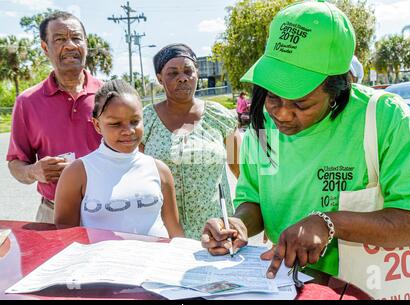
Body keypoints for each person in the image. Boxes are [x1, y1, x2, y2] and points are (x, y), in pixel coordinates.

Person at [201, 1, 410, 280]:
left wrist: (329, 223)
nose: (281, 114)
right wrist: (237, 224)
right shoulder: (262, 124)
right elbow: (254, 201)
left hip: (365, 288)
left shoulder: (387, 119)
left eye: (301, 103)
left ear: (338, 89)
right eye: (272, 96)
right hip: (285, 287)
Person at [54, 80, 184, 238]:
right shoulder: (78, 173)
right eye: (115, 124)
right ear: (97, 125)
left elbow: (175, 232)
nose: (128, 131)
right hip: (103, 263)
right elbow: (65, 238)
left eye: (135, 121)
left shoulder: (159, 170)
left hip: (156, 262)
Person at [6, 12, 102, 223]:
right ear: (45, 48)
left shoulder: (109, 95)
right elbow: (15, 163)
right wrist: (33, 171)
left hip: (109, 211)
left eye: (76, 38)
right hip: (52, 213)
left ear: (86, 44)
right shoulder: (27, 102)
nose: (69, 45)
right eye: (59, 39)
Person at [140, 43, 241, 239]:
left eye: (188, 71)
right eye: (173, 73)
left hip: (216, 232)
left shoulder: (218, 116)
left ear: (197, 74)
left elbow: (242, 171)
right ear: (160, 78)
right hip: (161, 232)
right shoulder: (146, 120)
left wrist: (258, 213)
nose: (183, 78)